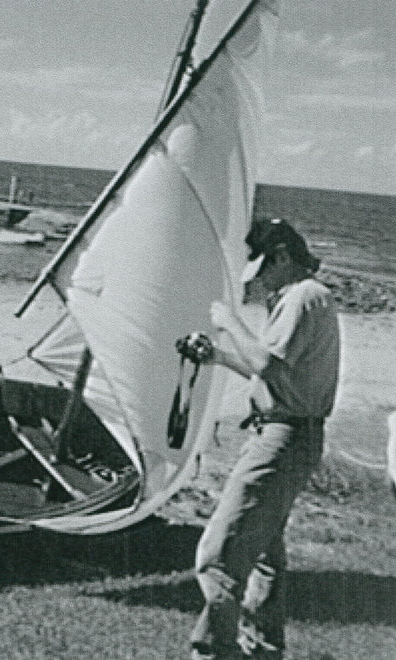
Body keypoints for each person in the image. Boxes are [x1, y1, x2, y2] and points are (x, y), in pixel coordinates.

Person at [188, 218, 339, 660]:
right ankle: (264, 650)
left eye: (264, 269)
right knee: (263, 555)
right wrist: (216, 356)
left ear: (284, 258)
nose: (260, 282)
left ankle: (212, 652)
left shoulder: (302, 297)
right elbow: (276, 372)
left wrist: (228, 321)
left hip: (282, 438)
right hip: (291, 434)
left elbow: (266, 365)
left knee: (218, 554)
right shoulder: (310, 297)